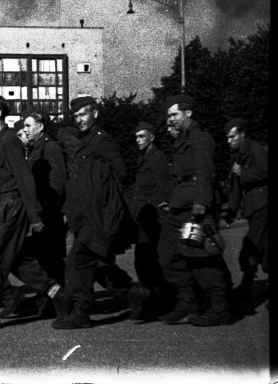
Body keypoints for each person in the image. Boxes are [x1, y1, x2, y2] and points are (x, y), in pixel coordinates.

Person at [0, 96, 68, 330]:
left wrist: (34, 216)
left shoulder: (10, 141)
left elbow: (24, 178)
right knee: (19, 261)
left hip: (11, 208)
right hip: (1, 206)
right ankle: (58, 294)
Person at [53, 96, 141, 329]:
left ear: (96, 114)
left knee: (77, 261)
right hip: (85, 214)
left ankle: (81, 312)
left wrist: (106, 204)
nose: (79, 119)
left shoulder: (103, 141)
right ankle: (135, 292)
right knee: (99, 264)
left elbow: (119, 173)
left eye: (83, 114)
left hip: (99, 215)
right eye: (76, 116)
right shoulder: (84, 141)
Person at [157, 94, 232, 327]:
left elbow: (204, 172)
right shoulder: (182, 140)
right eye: (168, 115)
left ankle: (220, 307)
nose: (170, 120)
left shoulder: (199, 138)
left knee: (201, 257)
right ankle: (188, 300)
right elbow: (180, 177)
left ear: (188, 113)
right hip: (181, 205)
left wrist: (200, 206)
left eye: (174, 114)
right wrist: (172, 200)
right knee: (168, 252)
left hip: (195, 207)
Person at [21, 111, 67, 316]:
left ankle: (56, 300)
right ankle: (47, 297)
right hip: (41, 211)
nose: (25, 129)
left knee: (51, 258)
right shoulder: (34, 148)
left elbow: (57, 184)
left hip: (49, 213)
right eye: (25, 125)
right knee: (42, 256)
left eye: (29, 125)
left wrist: (45, 212)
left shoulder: (50, 147)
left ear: (41, 127)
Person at [125, 121, 173, 320]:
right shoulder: (144, 158)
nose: (138, 140)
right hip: (144, 218)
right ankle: (157, 299)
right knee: (146, 261)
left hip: (154, 218)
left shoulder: (156, 157)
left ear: (152, 137)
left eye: (142, 136)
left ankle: (161, 300)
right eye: (136, 137)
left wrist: (163, 211)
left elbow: (164, 187)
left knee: (149, 260)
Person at [222, 118, 268, 305]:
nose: (229, 141)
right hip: (253, 207)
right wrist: (231, 210)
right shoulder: (236, 155)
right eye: (227, 137)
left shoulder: (255, 149)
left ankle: (246, 286)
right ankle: (247, 286)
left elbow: (265, 172)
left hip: (262, 205)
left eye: (233, 136)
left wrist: (243, 174)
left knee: (250, 247)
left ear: (242, 135)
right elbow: (235, 187)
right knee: (263, 250)